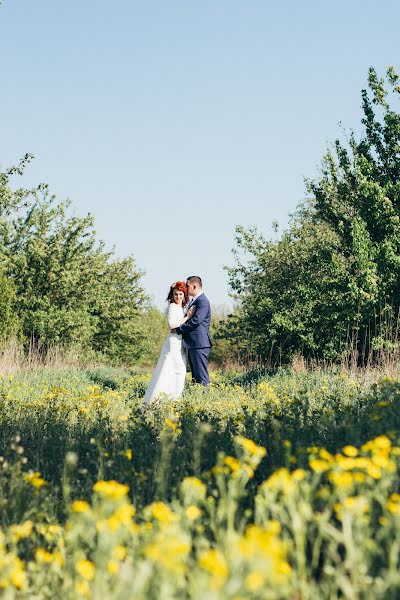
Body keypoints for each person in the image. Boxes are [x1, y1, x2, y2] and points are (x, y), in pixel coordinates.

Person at [143, 281, 195, 405]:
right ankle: (161, 397)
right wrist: (187, 317)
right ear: (172, 295)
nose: (178, 297)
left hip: (179, 341)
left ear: (184, 295)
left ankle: (174, 397)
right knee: (172, 368)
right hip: (173, 342)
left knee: (179, 370)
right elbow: (172, 325)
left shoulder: (180, 307)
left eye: (181, 294)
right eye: (176, 294)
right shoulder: (172, 306)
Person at [173, 276, 212, 385]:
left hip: (199, 343)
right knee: (196, 375)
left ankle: (204, 398)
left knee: (201, 375)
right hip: (194, 343)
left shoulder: (202, 301)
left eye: (187, 286)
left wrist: (179, 330)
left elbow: (196, 320)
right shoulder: (195, 300)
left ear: (194, 286)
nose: (186, 288)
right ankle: (198, 397)